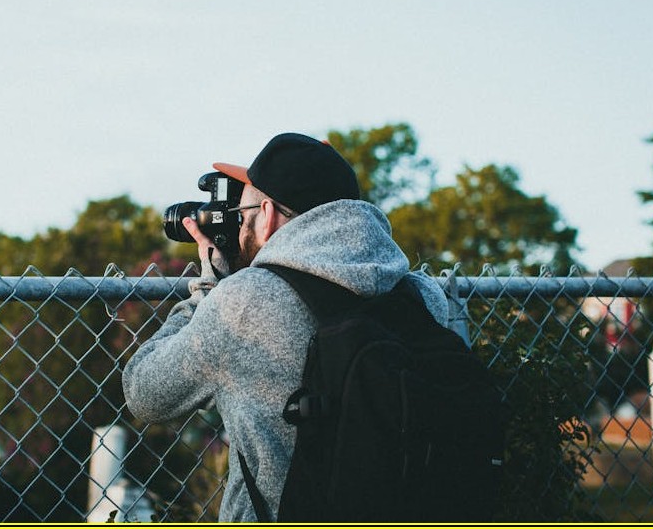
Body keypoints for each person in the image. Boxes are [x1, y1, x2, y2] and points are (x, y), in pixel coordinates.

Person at [122, 132, 451, 522]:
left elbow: (143, 392)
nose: (235, 223)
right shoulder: (421, 296)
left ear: (270, 217)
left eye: (242, 214)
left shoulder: (244, 303)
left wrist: (207, 290)